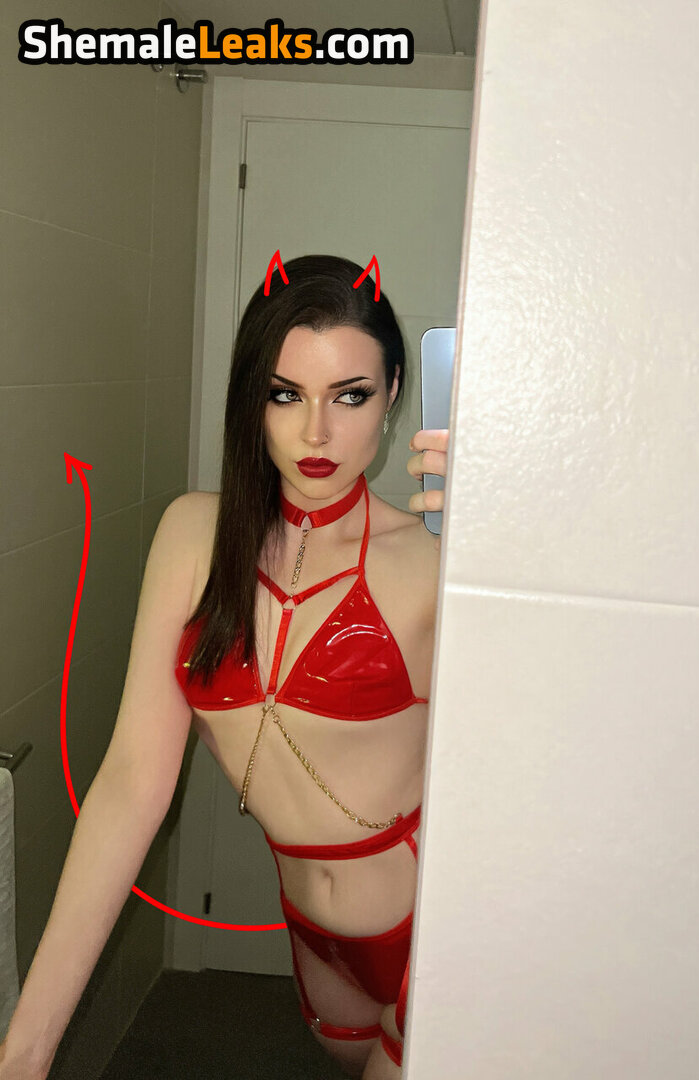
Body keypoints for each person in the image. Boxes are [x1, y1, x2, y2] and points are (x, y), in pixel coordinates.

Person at [0, 254, 449, 1080]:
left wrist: (508, 534)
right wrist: (25, 1052)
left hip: (435, 934)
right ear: (252, 399)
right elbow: (132, 784)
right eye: (286, 394)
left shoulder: (432, 563)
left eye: (350, 395)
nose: (317, 433)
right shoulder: (191, 537)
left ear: (393, 396)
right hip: (313, 947)